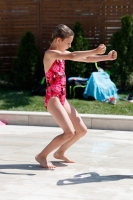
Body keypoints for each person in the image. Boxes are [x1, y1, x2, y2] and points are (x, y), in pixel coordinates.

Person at [35, 24, 117, 169]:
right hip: (53, 98)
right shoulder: (50, 54)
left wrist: (106, 57)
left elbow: (85, 58)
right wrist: (95, 50)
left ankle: (60, 153)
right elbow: (73, 55)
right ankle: (41, 156)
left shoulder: (61, 54)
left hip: (61, 97)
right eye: (68, 43)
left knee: (81, 130)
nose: (69, 45)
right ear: (59, 40)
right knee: (69, 132)